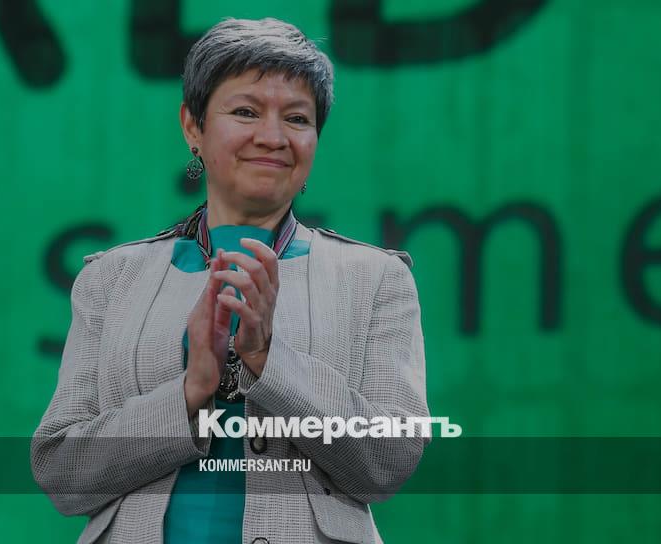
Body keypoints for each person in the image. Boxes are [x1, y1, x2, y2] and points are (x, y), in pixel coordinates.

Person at [31, 17, 430, 544]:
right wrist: (190, 392)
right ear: (192, 126)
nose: (273, 137)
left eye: (297, 118)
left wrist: (268, 359)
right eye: (245, 111)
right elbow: (61, 473)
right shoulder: (111, 279)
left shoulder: (376, 280)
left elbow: (388, 460)